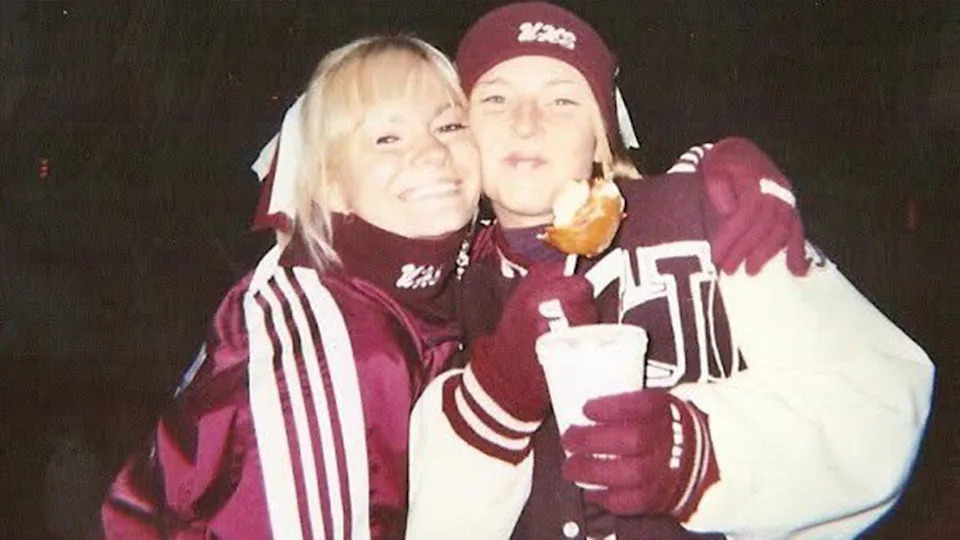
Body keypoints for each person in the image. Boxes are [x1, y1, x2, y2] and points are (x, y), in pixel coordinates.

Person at [405, 3, 935, 539]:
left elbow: (881, 401)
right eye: (495, 98)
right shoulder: (442, 289)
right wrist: (493, 402)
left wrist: (704, 456)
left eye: (562, 99)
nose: (525, 122)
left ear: (602, 136)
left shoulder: (705, 217)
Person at [100, 34, 482, 538]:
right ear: (330, 185)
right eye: (387, 138)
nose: (432, 151)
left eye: (449, 125)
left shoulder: (424, 288)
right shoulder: (331, 347)